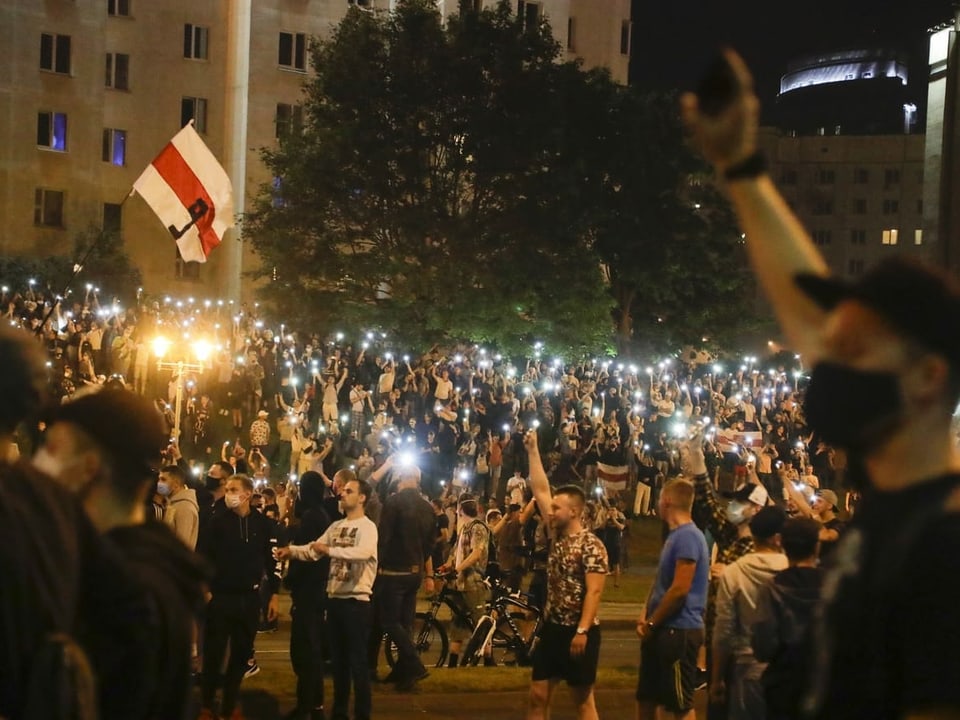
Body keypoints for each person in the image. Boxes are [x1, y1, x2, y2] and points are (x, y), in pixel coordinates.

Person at [681, 48, 960, 719]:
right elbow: (808, 307)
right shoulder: (893, 516)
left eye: (854, 353)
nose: (827, 367)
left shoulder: (944, 550)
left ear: (926, 378)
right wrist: (741, 171)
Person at [35, 388, 209, 720]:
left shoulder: (116, 591)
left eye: (53, 451)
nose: (41, 465)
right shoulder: (158, 567)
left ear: (89, 467)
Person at [277, 477, 379, 720]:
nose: (342, 494)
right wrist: (291, 551)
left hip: (356, 602)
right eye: (343, 491)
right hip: (334, 601)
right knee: (339, 664)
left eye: (349, 491)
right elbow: (313, 549)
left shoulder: (367, 527)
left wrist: (329, 551)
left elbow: (362, 553)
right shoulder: (336, 526)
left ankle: (362, 714)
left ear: (362, 497)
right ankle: (340, 712)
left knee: (358, 664)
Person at [524, 430, 608, 720]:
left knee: (582, 700)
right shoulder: (556, 535)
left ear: (573, 512)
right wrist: (533, 450)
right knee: (538, 695)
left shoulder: (592, 545)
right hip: (552, 629)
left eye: (557, 509)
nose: (551, 511)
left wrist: (582, 631)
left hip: (579, 631)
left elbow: (594, 592)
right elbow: (541, 490)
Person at [198, 474, 282, 720]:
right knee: (213, 653)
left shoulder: (263, 524)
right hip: (221, 597)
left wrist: (274, 594)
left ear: (247, 493)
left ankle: (229, 702)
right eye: (227, 489)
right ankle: (206, 703)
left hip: (250, 598)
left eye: (233, 489)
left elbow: (272, 559)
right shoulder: (217, 522)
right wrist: (206, 589)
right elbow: (202, 556)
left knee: (242, 653)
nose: (228, 494)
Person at [635, 478, 709, 720]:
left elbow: (679, 589)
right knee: (647, 698)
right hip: (664, 629)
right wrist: (645, 612)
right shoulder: (675, 536)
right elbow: (662, 582)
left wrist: (653, 622)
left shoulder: (687, 536)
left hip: (679, 630)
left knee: (681, 704)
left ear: (666, 500)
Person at [711, 506, 788, 720]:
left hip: (747, 667)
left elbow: (723, 631)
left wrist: (717, 678)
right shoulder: (793, 569)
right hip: (788, 668)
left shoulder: (734, 572)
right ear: (778, 538)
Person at [371, 457, 436, 690]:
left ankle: (414, 663)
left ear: (403, 478)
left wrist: (377, 563)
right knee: (405, 623)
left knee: (389, 621)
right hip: (415, 571)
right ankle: (403, 673)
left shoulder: (394, 503)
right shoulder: (428, 508)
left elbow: (384, 537)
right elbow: (431, 543)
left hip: (393, 571)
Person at [751, 517, 823, 720]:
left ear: (781, 543)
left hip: (783, 683)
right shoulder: (833, 584)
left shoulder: (772, 588)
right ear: (816, 547)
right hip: (823, 682)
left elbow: (763, 646)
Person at [160, 463, 200, 550]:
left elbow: (182, 545)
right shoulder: (172, 504)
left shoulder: (185, 508)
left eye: (163, 480)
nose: (159, 483)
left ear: (176, 484)